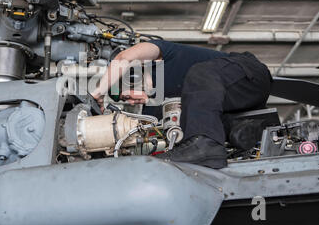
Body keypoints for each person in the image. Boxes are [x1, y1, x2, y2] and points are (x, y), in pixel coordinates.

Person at [91, 40, 272, 169]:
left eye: (127, 87)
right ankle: (243, 133)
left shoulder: (162, 54)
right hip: (239, 105)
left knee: (199, 73)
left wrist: (98, 91)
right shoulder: (158, 108)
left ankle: (205, 147)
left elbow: (125, 56)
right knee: (182, 124)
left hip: (245, 73)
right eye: (124, 99)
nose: (129, 98)